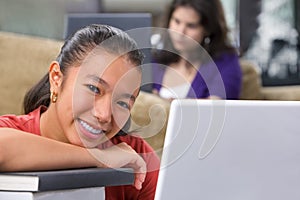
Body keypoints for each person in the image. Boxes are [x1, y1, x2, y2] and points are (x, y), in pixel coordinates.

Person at [0, 24, 160, 200]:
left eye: (122, 103)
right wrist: (100, 157)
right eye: (94, 88)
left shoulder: (133, 156)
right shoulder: (13, 131)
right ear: (56, 79)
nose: (104, 114)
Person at [152, 0, 242, 100]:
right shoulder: (155, 61)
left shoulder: (225, 63)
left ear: (208, 29)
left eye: (191, 26)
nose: (180, 32)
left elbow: (215, 108)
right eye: (176, 21)